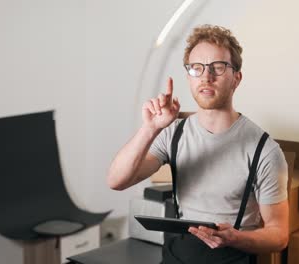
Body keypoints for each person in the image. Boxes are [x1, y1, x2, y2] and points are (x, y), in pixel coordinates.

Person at [107, 24, 289, 264]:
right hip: (178, 254)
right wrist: (150, 128)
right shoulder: (173, 132)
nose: (206, 76)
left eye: (218, 67)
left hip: (233, 255)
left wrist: (235, 238)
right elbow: (116, 181)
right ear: (189, 76)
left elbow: (279, 235)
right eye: (197, 68)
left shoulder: (264, 150)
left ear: (236, 78)